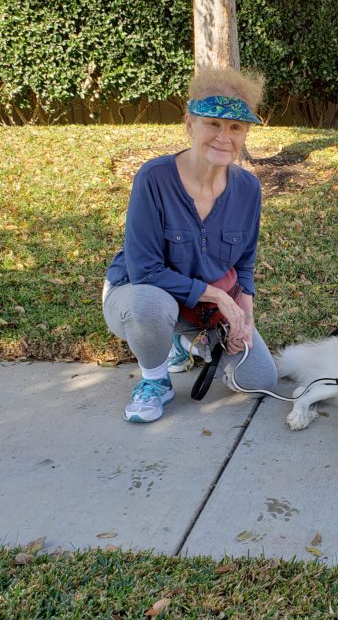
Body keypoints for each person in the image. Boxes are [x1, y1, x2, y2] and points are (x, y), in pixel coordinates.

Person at [103, 67, 278, 423]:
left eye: (235, 127)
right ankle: (155, 380)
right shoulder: (154, 178)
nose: (223, 137)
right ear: (189, 123)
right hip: (138, 293)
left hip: (199, 309)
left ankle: (185, 343)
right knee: (150, 307)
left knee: (257, 379)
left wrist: (243, 319)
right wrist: (219, 298)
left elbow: (243, 265)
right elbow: (145, 271)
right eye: (213, 123)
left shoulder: (248, 189)